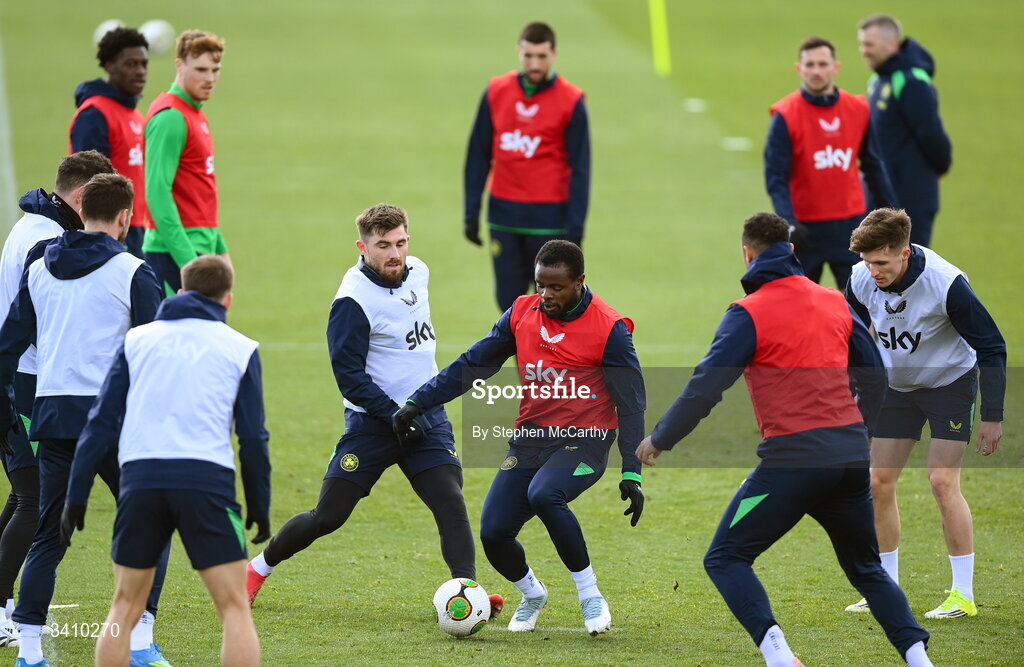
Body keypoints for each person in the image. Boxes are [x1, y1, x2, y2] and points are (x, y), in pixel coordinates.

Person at [635, 213, 932, 667]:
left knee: (726, 557)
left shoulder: (746, 313)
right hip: (850, 457)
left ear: (748, 254)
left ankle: (779, 657)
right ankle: (918, 658)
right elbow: (874, 375)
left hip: (792, 464)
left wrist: (660, 437)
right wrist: (859, 431)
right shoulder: (834, 300)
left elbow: (706, 386)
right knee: (867, 569)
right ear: (793, 252)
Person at [245, 204, 497, 616]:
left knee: (450, 503)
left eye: (399, 243)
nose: (393, 254)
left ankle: (468, 593)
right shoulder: (352, 301)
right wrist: (392, 414)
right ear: (362, 247)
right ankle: (256, 570)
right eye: (382, 246)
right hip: (372, 423)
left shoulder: (419, 271)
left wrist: (415, 409)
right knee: (328, 515)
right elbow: (348, 376)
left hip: (425, 415)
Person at [396, 239, 646, 636]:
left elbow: (632, 405)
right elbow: (473, 363)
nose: (545, 295)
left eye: (556, 287)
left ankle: (590, 594)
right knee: (494, 532)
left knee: (545, 493)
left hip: (587, 440)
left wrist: (631, 471)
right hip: (531, 440)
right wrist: (418, 402)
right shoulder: (521, 313)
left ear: (580, 281)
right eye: (540, 285)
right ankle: (532, 594)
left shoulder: (610, 329)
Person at [62, 255, 270, 667]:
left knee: (123, 606)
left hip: (140, 481)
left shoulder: (136, 340)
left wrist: (77, 496)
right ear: (227, 300)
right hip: (205, 483)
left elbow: (99, 424)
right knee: (232, 608)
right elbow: (253, 438)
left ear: (180, 290)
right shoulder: (241, 348)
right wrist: (259, 505)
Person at [0, 174, 171, 667]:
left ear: (80, 210)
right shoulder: (135, 272)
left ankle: (29, 654)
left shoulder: (39, 265)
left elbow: (9, 347)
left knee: (49, 536)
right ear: (124, 218)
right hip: (116, 423)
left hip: (53, 419)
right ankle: (138, 640)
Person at [844, 208, 1005, 619]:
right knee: (878, 482)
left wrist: (992, 416)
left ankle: (962, 595)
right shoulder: (860, 279)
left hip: (950, 384)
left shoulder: (946, 284)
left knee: (941, 481)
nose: (872, 271)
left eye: (881, 262)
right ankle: (885, 587)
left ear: (904, 252)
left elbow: (991, 346)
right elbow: (854, 338)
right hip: (897, 387)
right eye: (867, 262)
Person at [0, 150, 115, 647]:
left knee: (24, 492)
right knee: (37, 500)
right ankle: (5, 610)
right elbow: (45, 322)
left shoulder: (31, 224)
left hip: (20, 376)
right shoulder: (48, 242)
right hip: (25, 382)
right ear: (82, 197)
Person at [463, 21, 591, 312]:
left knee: (551, 304)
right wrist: (472, 210)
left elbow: (581, 169)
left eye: (542, 56)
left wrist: (576, 228)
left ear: (554, 54)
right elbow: (478, 153)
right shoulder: (496, 91)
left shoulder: (571, 101)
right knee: (509, 306)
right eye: (528, 55)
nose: (535, 63)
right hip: (503, 215)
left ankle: (546, 360)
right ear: (518, 52)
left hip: (550, 220)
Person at [765, 36, 898, 288]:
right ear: (799, 68)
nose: (816, 71)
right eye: (810, 64)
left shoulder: (858, 109)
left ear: (835, 67)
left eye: (823, 64)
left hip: (852, 228)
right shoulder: (785, 115)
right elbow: (776, 177)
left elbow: (872, 166)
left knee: (862, 307)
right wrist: (789, 222)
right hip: (805, 230)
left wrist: (894, 213)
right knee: (801, 308)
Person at [144, 29, 230, 297]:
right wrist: (190, 263)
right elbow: (157, 192)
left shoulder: (194, 113)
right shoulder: (170, 118)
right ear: (179, 65)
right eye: (201, 69)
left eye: (215, 70)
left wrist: (220, 251)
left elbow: (201, 194)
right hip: (173, 253)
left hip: (199, 250)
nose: (210, 78)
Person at [857, 14, 951, 247]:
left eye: (869, 44)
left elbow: (931, 133)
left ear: (891, 44)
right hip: (880, 192)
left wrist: (939, 166)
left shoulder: (911, 81)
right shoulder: (878, 80)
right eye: (861, 44)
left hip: (911, 196)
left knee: (910, 269)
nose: (863, 50)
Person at [69, 27, 151, 258]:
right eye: (131, 64)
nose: (140, 71)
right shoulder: (94, 114)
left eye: (144, 64)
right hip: (110, 231)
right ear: (109, 66)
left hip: (136, 227)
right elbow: (87, 182)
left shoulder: (134, 114)